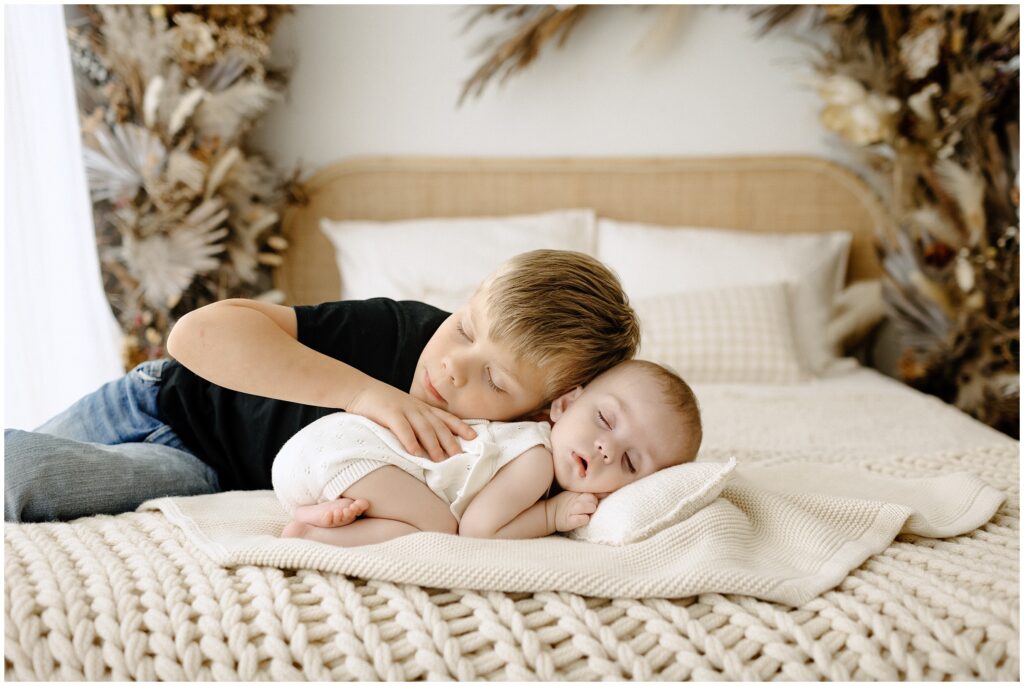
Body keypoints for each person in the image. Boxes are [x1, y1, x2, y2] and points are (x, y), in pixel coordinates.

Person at [4, 250, 640, 523]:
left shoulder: (505, 453)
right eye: (466, 327)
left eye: (495, 380)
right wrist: (365, 394)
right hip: (163, 395)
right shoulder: (400, 330)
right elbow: (195, 337)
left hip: (201, 470)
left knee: (26, 474)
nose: (453, 366)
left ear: (548, 409)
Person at [274, 360, 702, 544]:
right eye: (605, 421)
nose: (607, 448)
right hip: (346, 454)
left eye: (629, 462)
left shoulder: (521, 443)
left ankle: (318, 514)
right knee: (439, 528)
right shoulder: (534, 459)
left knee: (419, 508)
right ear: (566, 405)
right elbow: (478, 530)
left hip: (318, 459)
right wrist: (551, 516)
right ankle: (315, 536)